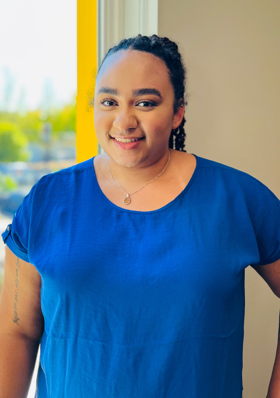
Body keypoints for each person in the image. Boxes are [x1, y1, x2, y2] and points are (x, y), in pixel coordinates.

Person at [0, 34, 280, 398]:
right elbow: (16, 330)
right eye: (109, 101)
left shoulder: (238, 199)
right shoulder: (46, 201)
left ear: (178, 112)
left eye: (145, 102)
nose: (124, 120)